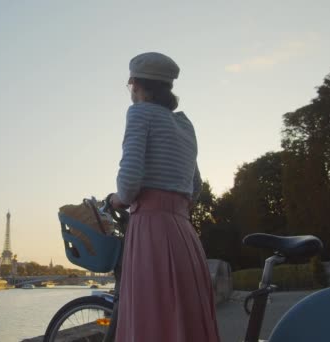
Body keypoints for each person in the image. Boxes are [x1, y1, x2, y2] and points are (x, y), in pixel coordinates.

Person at [109, 52, 220, 342]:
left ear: (135, 84)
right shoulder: (184, 124)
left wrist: (116, 199)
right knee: (183, 315)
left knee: (150, 315)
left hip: (151, 231)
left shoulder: (139, 113)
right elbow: (195, 186)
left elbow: (129, 180)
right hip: (183, 233)